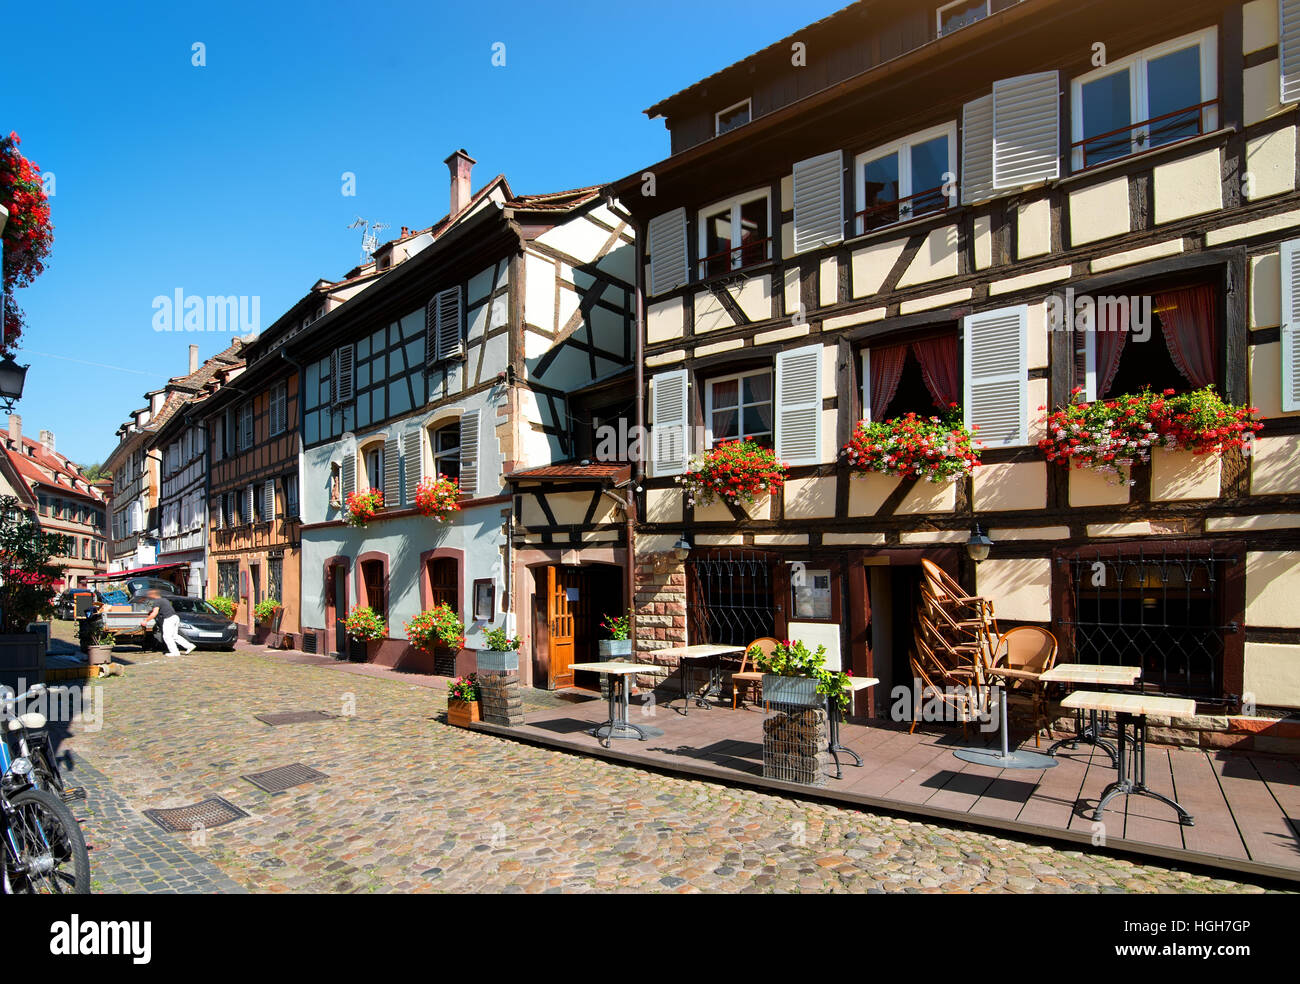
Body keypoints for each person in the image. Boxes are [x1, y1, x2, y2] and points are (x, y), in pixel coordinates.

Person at [139, 588, 196, 657]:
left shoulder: (157, 601)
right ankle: (189, 646)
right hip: (175, 617)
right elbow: (159, 608)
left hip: (168, 619)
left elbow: (155, 612)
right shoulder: (164, 600)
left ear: (153, 595)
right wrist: (146, 603)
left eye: (149, 595)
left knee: (167, 636)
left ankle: (174, 652)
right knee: (174, 636)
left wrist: (145, 620)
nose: (149, 596)